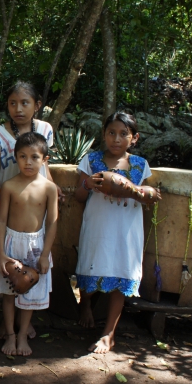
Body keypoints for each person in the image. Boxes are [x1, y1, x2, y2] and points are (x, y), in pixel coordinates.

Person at [75, 113, 156, 354]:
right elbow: (79, 196)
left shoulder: (140, 165)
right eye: (111, 132)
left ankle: (108, 334)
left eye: (123, 134)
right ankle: (86, 303)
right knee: (91, 267)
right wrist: (88, 184)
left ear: (134, 138)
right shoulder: (90, 160)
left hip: (126, 230)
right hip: (98, 226)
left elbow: (147, 199)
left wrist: (141, 192)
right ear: (104, 134)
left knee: (122, 273)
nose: (116, 138)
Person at [0, 81, 59, 341]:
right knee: (10, 288)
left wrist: (45, 254)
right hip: (11, 233)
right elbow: (1, 219)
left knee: (30, 285)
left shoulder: (48, 187)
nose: (18, 108)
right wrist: (1, 253)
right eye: (12, 103)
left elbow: (52, 222)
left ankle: (22, 332)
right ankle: (9, 332)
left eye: (25, 103)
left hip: (36, 239)